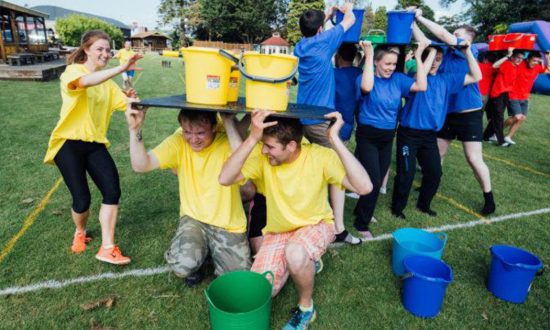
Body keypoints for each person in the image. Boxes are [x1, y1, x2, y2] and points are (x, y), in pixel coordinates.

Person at [219, 111, 371, 330]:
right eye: (263, 144)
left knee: (295, 252)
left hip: (317, 224)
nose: (263, 150)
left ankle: (306, 307)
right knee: (264, 290)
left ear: (291, 146)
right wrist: (253, 137)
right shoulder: (263, 158)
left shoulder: (320, 156)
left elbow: (364, 187)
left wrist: (335, 139)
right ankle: (303, 261)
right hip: (279, 232)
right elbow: (225, 178)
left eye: (269, 146)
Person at [43, 30, 141, 265]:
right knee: (82, 199)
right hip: (68, 144)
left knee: (112, 191)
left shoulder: (107, 86)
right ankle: (80, 231)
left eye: (108, 50)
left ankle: (107, 247)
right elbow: (84, 83)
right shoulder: (73, 72)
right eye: (100, 49)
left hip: (95, 144)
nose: (105, 54)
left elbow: (128, 105)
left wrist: (133, 101)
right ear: (86, 49)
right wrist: (120, 69)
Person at [124, 108, 251, 286]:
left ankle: (208, 252)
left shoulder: (227, 141)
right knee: (183, 266)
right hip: (194, 219)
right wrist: (135, 129)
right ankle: (196, 257)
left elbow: (243, 159)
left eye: (200, 133)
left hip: (228, 224)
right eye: (187, 132)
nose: (193, 139)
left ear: (215, 127)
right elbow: (140, 165)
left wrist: (229, 122)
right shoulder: (178, 141)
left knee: (238, 283)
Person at [414, 9, 496, 215]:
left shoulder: (470, 51)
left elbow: (443, 34)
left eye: (459, 35)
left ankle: (489, 198)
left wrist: (420, 17)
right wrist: (410, 23)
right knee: (438, 152)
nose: (454, 37)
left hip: (468, 113)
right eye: (455, 34)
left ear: (467, 40)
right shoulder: (446, 51)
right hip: (447, 113)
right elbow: (425, 39)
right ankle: (430, 185)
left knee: (473, 158)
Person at [391, 38, 482, 217]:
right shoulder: (412, 78)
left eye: (439, 60)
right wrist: (432, 52)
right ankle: (397, 208)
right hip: (409, 134)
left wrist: (467, 53)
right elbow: (421, 77)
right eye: (431, 59)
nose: (434, 63)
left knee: (434, 173)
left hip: (429, 136)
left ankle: (424, 205)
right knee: (406, 174)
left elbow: (476, 76)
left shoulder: (446, 80)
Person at [294, 3, 360, 245]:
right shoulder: (326, 41)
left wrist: (329, 14)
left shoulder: (301, 45)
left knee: (312, 167)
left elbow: (319, 29)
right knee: (340, 169)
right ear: (322, 29)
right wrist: (348, 7)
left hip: (302, 117)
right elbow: (351, 20)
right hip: (318, 121)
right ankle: (339, 229)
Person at [354, 40, 428, 235]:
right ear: (377, 62)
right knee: (374, 180)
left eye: (394, 64)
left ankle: (361, 210)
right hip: (367, 135)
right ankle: (361, 224)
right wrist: (369, 55)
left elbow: (421, 85)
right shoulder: (365, 78)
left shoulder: (398, 79)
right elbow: (367, 88)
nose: (391, 68)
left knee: (376, 177)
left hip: (387, 136)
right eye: (387, 64)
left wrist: (419, 57)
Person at [504, 51, 550, 144]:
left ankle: (508, 137)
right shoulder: (520, 64)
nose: (535, 63)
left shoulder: (537, 67)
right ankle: (496, 131)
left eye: (537, 61)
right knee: (517, 117)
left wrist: (547, 57)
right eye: (533, 60)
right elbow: (511, 61)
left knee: (522, 118)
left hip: (525, 97)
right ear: (528, 59)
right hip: (513, 95)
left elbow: (548, 70)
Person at [483, 48, 524, 146]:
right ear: (512, 57)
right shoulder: (507, 64)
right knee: (499, 118)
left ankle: (485, 136)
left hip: (506, 94)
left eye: (521, 58)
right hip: (498, 94)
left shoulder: (516, 67)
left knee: (495, 118)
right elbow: (494, 65)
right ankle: (501, 141)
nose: (519, 60)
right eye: (517, 57)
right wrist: (507, 55)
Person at [334, 43, 362, 143]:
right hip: (347, 124)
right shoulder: (359, 72)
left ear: (338, 55)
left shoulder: (333, 73)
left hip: (331, 123)